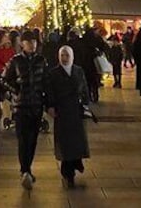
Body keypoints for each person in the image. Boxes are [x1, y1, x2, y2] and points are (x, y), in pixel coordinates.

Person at [2, 30, 48, 190]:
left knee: (33, 140)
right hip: (21, 106)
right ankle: (25, 170)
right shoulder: (15, 61)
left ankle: (28, 168)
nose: (32, 45)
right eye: (29, 42)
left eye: (34, 42)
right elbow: (5, 80)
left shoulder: (41, 60)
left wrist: (46, 100)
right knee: (23, 140)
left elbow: (46, 81)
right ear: (22, 44)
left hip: (36, 105)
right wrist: (16, 90)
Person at [46, 45, 90, 189]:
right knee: (65, 143)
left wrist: (85, 104)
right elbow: (50, 91)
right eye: (62, 55)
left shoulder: (78, 71)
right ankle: (68, 172)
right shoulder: (54, 73)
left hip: (76, 112)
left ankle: (76, 162)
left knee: (77, 141)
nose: (64, 58)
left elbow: (84, 88)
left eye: (67, 55)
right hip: (62, 111)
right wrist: (50, 106)